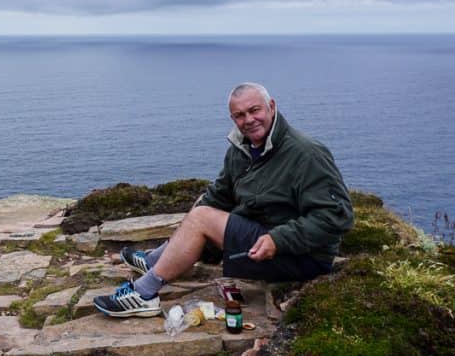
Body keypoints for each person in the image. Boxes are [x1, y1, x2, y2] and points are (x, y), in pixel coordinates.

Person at [94, 82, 354, 318]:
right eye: (240, 115)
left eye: (254, 110)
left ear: (272, 106)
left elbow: (336, 217)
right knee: (202, 207)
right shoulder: (241, 150)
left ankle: (144, 293)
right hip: (263, 239)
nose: (249, 120)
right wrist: (199, 217)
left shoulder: (306, 153)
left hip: (300, 257)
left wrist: (279, 239)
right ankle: (155, 262)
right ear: (233, 118)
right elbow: (218, 195)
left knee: (202, 218)